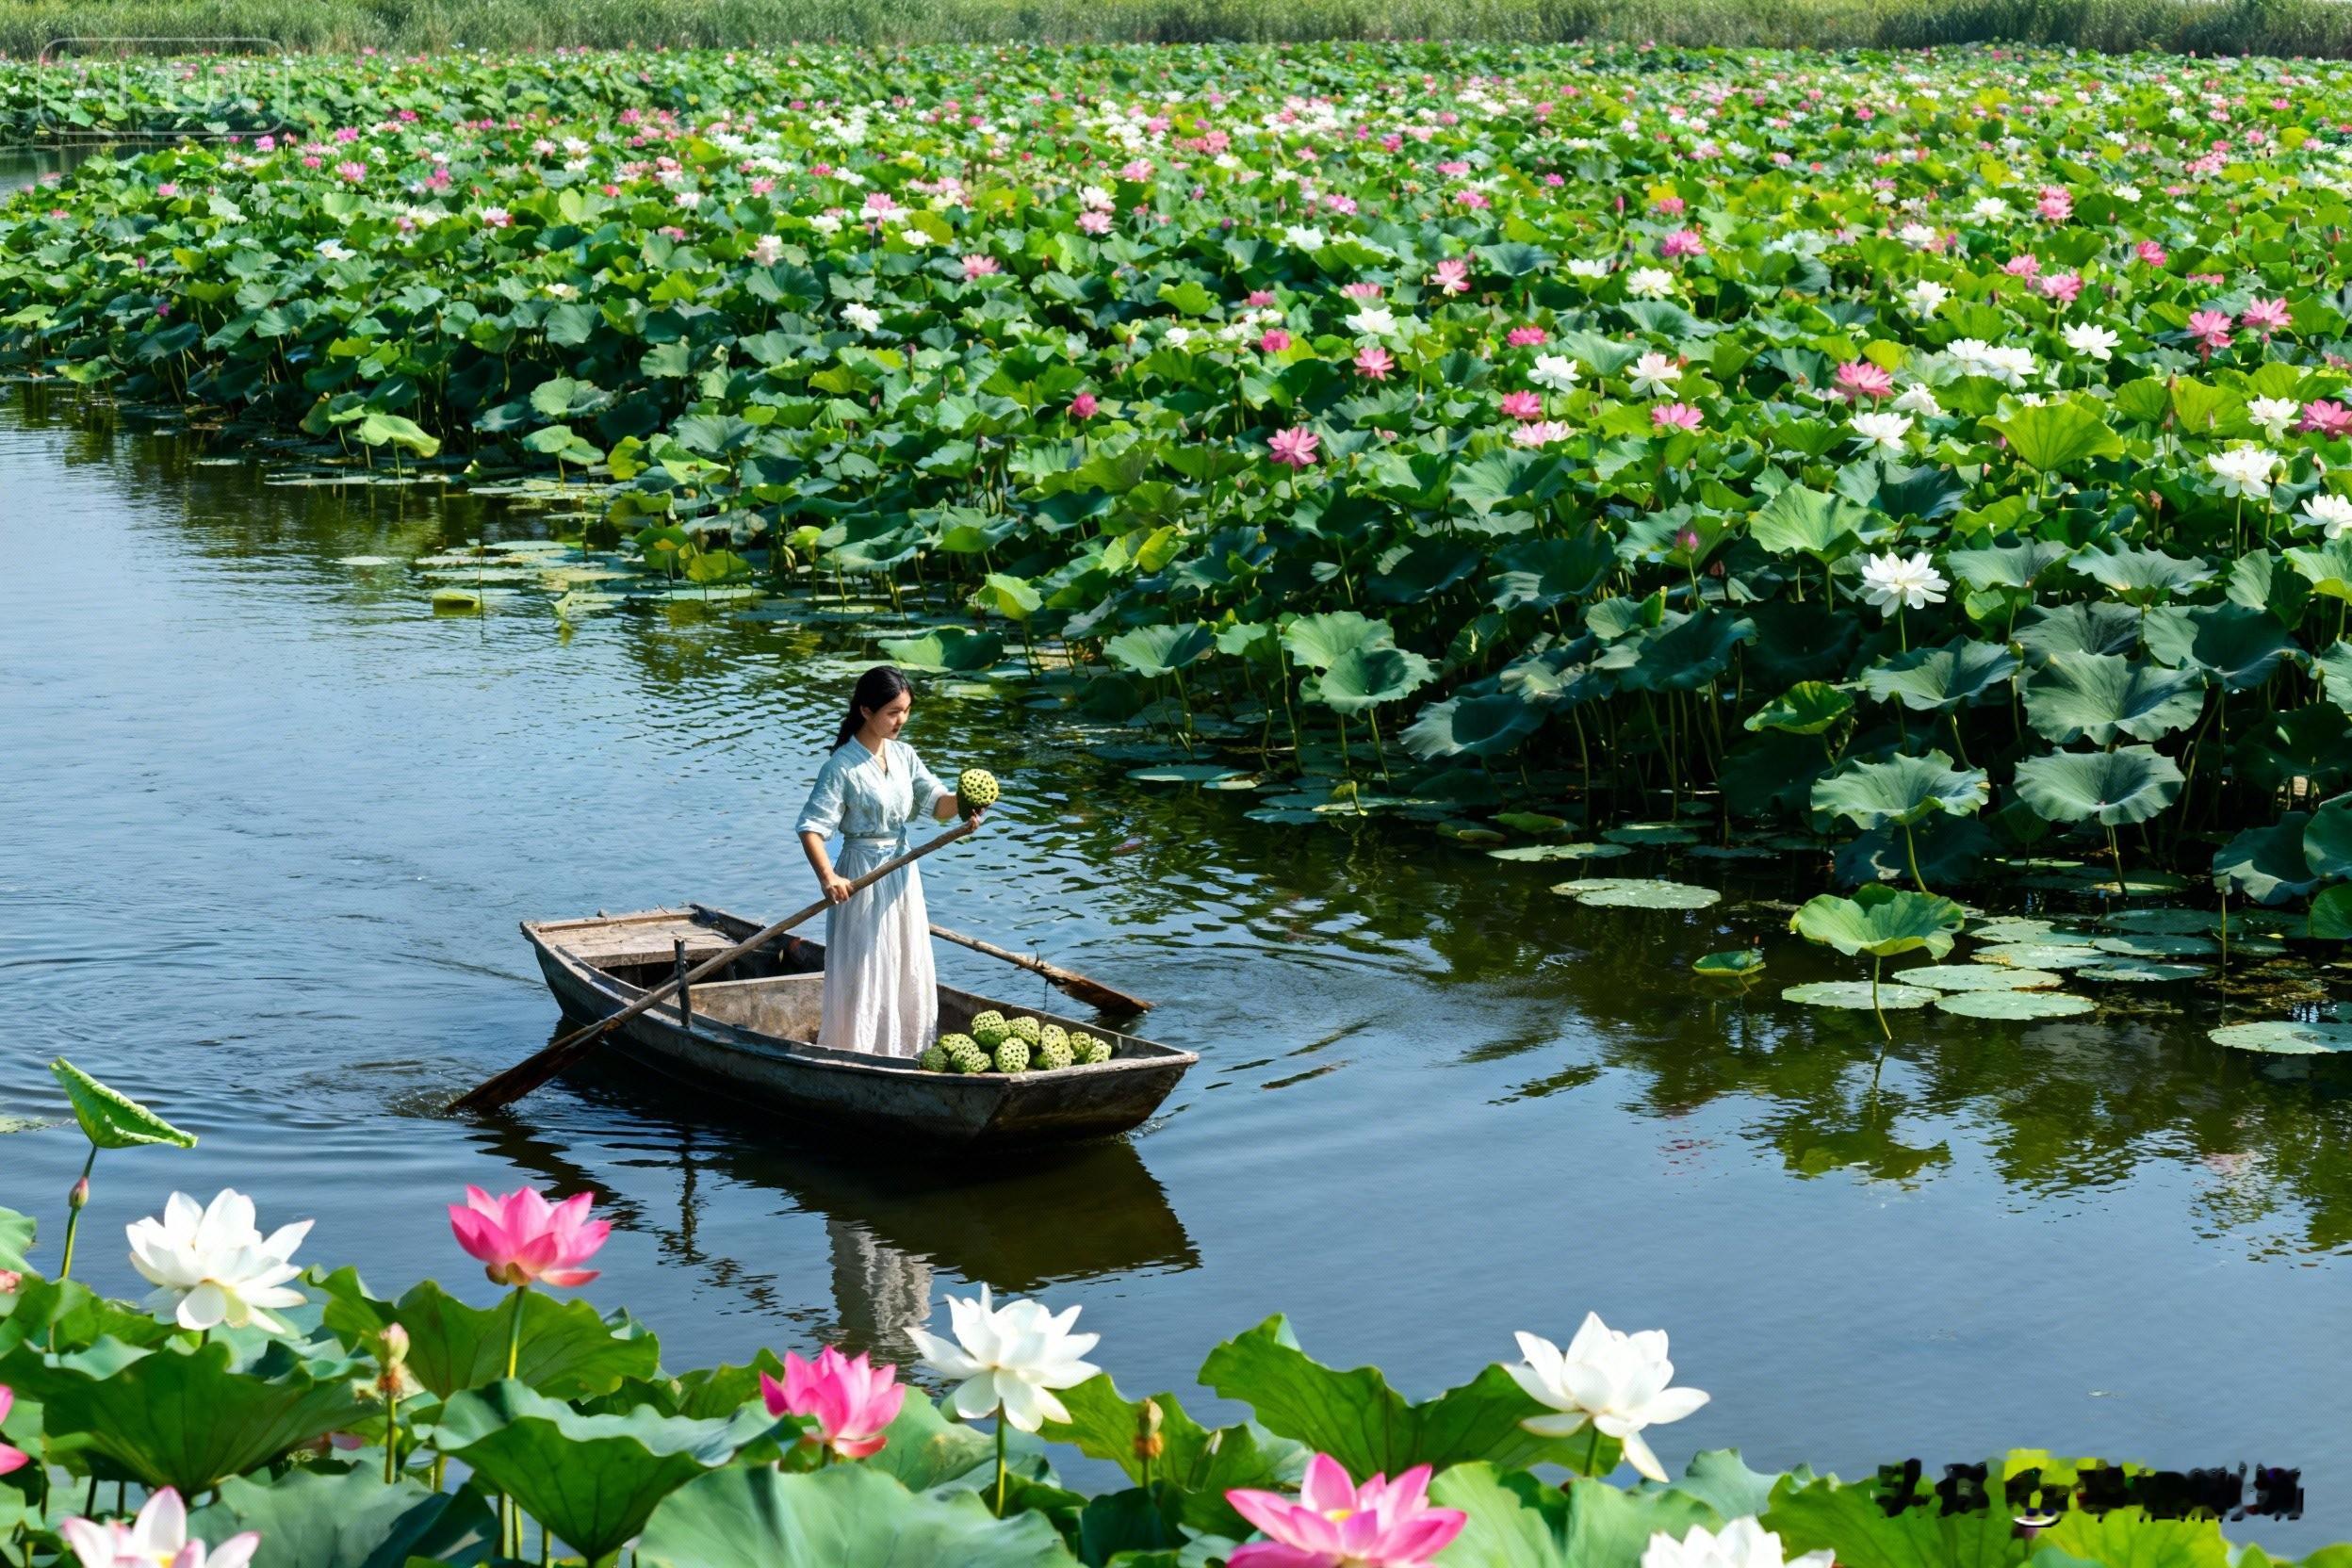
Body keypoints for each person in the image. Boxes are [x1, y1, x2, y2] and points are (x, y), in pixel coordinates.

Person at [794, 666, 983, 1057]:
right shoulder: (841, 767)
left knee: (903, 957)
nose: (902, 720)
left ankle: (904, 1050)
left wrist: (967, 802)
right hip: (859, 874)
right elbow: (810, 828)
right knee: (865, 963)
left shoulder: (904, 756)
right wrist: (829, 877)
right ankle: (855, 1049)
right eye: (893, 712)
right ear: (866, 710)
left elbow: (938, 805)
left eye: (907, 710)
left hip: (901, 871)